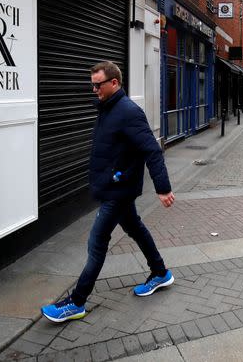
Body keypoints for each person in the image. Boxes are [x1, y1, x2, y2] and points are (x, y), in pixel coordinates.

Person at [41, 61, 176, 323]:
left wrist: (163, 188)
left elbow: (151, 149)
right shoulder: (108, 109)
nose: (94, 89)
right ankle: (160, 272)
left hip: (119, 189)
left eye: (98, 84)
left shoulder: (128, 112)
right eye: (92, 84)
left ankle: (77, 302)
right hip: (114, 185)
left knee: (96, 243)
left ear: (114, 83)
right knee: (135, 228)